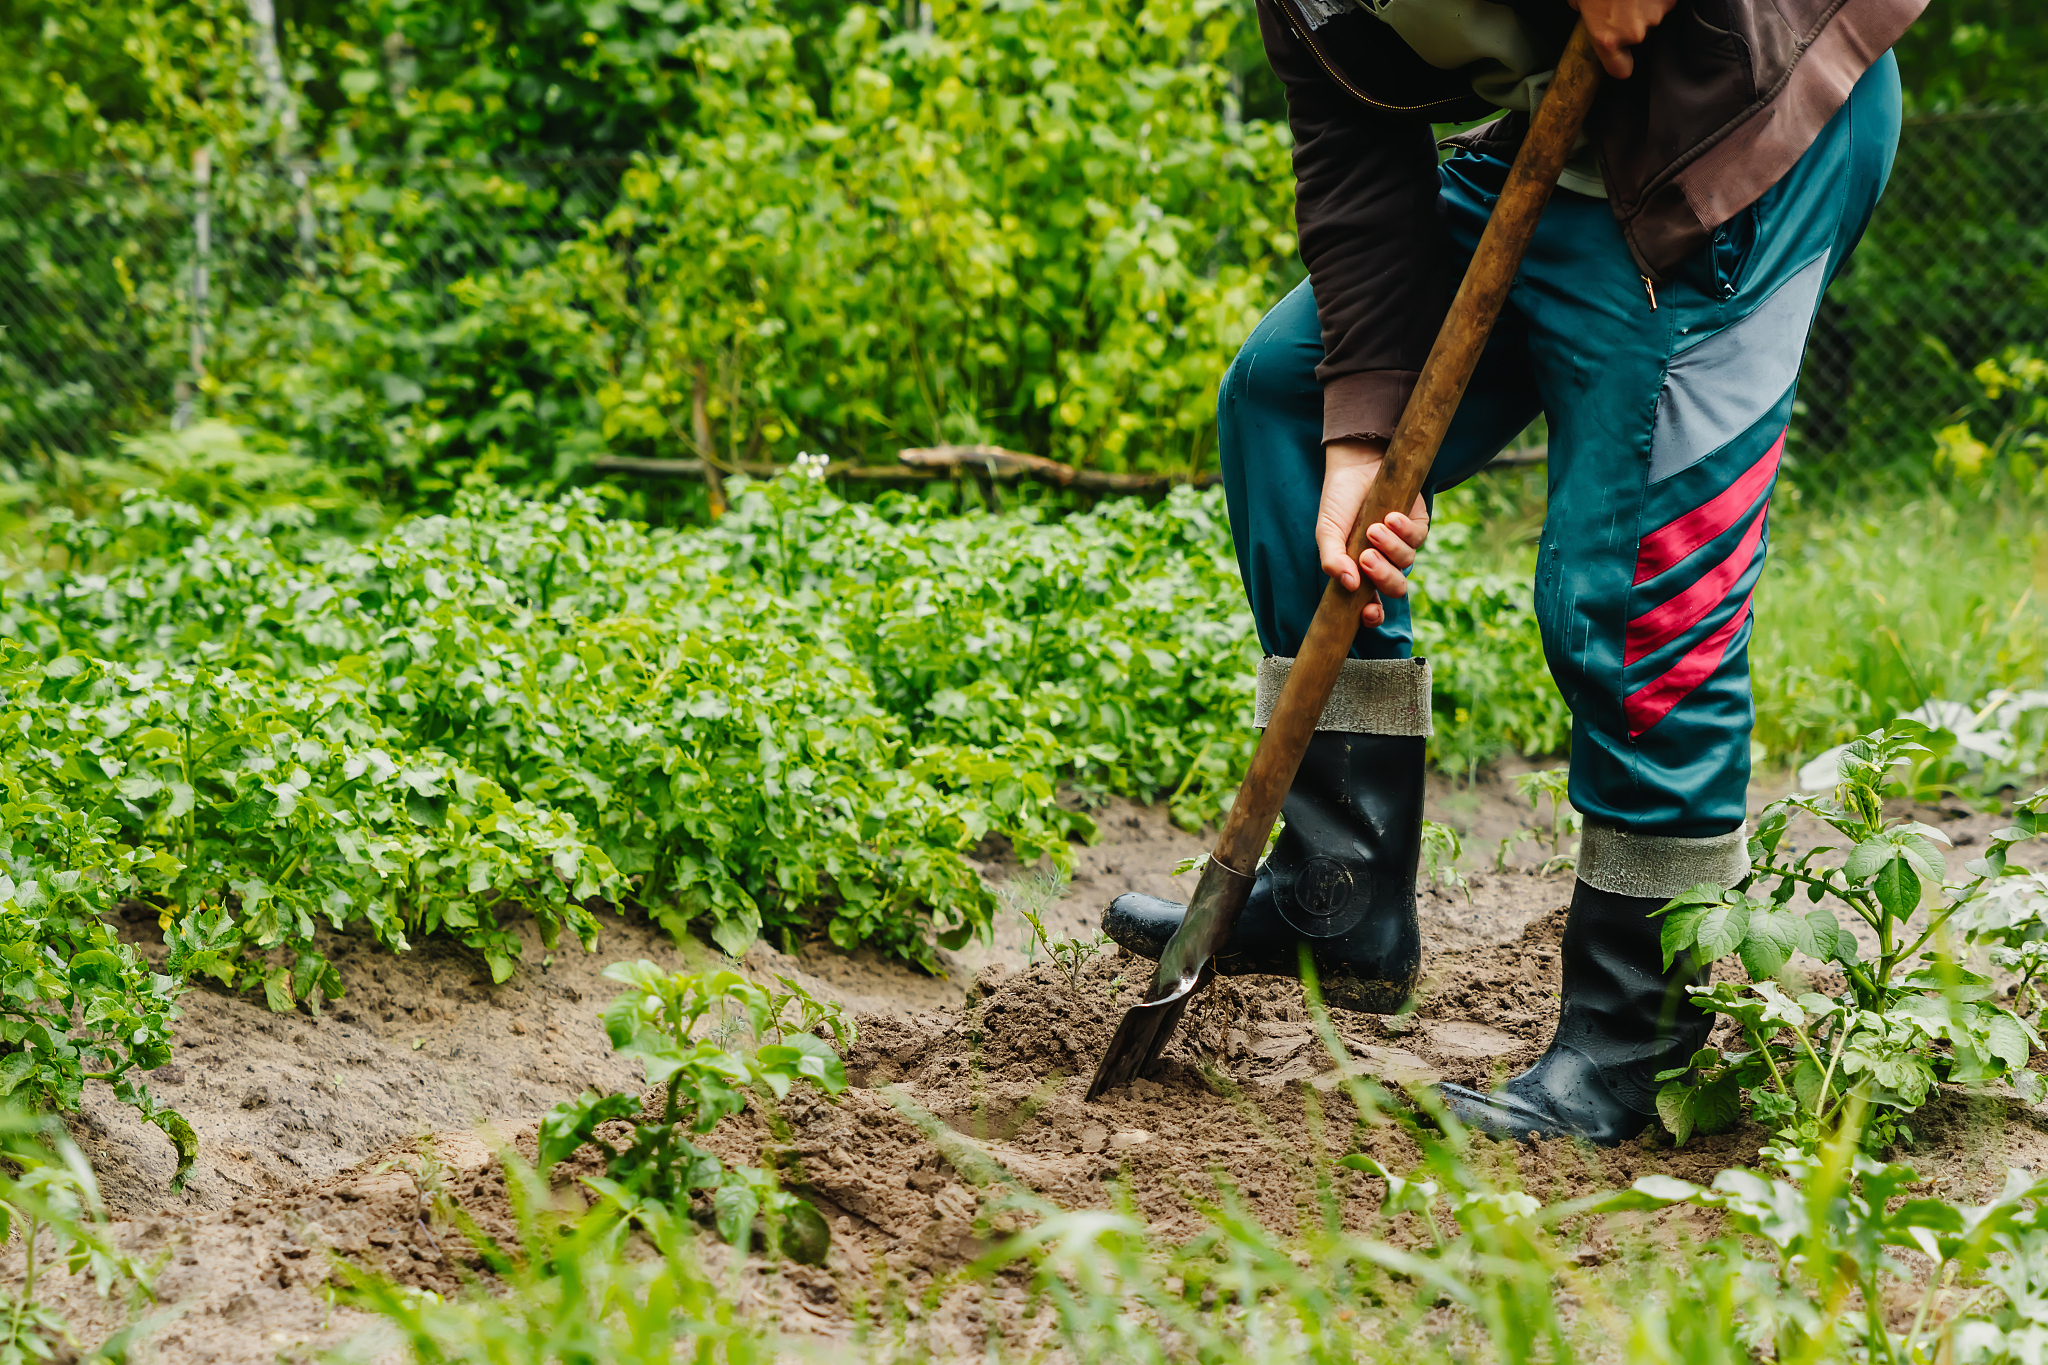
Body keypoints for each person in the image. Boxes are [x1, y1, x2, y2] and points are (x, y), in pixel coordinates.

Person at [1102, 0, 1919, 1144]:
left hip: (1737, 138)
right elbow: (1349, 143)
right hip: (1557, 142)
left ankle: (1633, 1047)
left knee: (1632, 592)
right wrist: (1360, 441)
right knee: (1289, 404)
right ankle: (1339, 900)